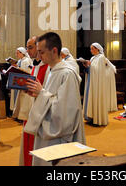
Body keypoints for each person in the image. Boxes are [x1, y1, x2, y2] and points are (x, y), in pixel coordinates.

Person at [24, 32, 86, 166]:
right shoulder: (53, 71)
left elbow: (65, 113)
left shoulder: (67, 74)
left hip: (58, 138)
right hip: (48, 133)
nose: (39, 56)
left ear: (54, 51)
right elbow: (51, 97)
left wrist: (41, 93)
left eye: (42, 52)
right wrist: (38, 94)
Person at [19, 36, 50, 166]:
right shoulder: (35, 66)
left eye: (30, 47)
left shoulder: (49, 67)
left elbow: (51, 93)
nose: (27, 50)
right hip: (31, 112)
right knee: (28, 145)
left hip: (41, 115)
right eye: (27, 47)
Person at [82, 43, 117, 126]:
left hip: (97, 83)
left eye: (92, 49)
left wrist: (90, 66)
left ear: (97, 49)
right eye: (90, 49)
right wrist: (87, 66)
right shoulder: (93, 58)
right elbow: (92, 69)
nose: (91, 50)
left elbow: (99, 71)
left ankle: (98, 119)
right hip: (92, 82)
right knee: (91, 98)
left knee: (97, 99)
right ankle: (91, 117)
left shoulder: (101, 57)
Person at [11, 47, 34, 121]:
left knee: (24, 100)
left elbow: (27, 71)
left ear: (22, 53)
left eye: (17, 53)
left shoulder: (26, 61)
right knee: (20, 99)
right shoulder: (20, 61)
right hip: (19, 82)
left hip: (24, 82)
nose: (16, 54)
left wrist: (17, 68)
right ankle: (18, 115)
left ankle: (23, 117)